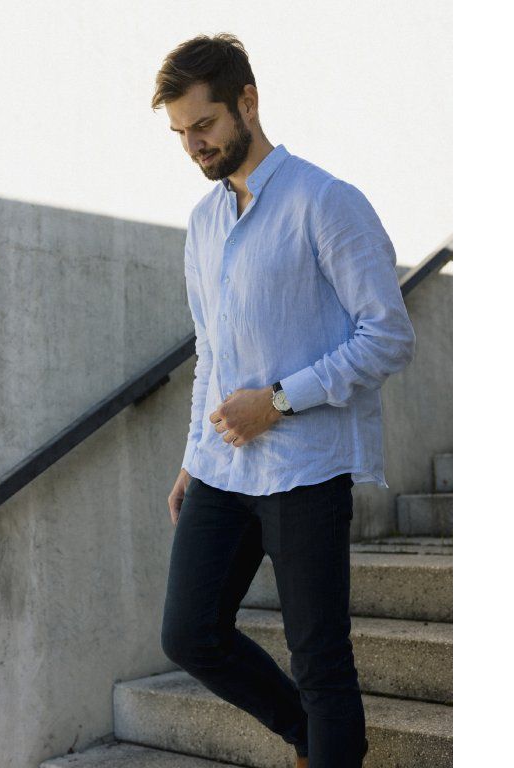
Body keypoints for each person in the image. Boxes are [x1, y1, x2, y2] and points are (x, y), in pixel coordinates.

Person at [152, 33, 415, 768]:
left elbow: (388, 335)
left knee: (321, 662)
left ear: (248, 102)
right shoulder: (204, 223)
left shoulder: (325, 202)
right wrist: (191, 457)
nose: (194, 146)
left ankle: (328, 745)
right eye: (180, 133)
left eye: (203, 125)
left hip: (305, 467)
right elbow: (211, 352)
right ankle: (313, 740)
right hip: (222, 469)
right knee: (189, 633)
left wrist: (277, 402)